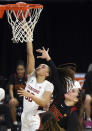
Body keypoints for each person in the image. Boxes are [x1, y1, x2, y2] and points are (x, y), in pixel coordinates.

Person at [36, 47, 85, 131]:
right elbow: (55, 76)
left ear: (76, 99)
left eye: (73, 91)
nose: (69, 90)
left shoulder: (72, 114)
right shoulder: (60, 95)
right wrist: (48, 58)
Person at [17, 40, 54, 131]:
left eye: (43, 67)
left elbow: (44, 102)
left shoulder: (48, 85)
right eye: (40, 65)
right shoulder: (31, 77)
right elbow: (30, 54)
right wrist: (29, 37)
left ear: (47, 74)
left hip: (36, 116)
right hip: (25, 115)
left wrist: (30, 95)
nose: (40, 67)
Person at [9, 60, 27, 126]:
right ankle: (15, 122)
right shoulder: (12, 76)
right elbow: (11, 89)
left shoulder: (27, 77)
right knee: (12, 102)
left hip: (26, 99)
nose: (20, 71)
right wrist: (12, 98)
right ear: (16, 70)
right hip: (16, 98)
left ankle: (26, 122)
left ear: (24, 70)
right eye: (18, 69)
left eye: (21, 69)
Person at [83, 63, 92, 129]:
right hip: (90, 94)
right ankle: (89, 120)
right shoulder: (89, 75)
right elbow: (86, 90)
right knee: (87, 98)